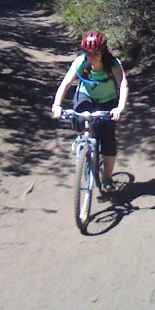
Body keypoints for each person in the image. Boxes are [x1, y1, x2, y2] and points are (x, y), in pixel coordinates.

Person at [51, 31, 129, 193]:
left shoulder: (113, 64)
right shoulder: (80, 62)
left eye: (96, 53)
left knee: (108, 139)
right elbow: (65, 83)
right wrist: (57, 105)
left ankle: (107, 177)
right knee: (77, 116)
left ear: (103, 52)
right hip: (85, 95)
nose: (91, 57)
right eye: (88, 53)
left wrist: (119, 107)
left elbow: (123, 85)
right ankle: (82, 138)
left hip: (108, 100)